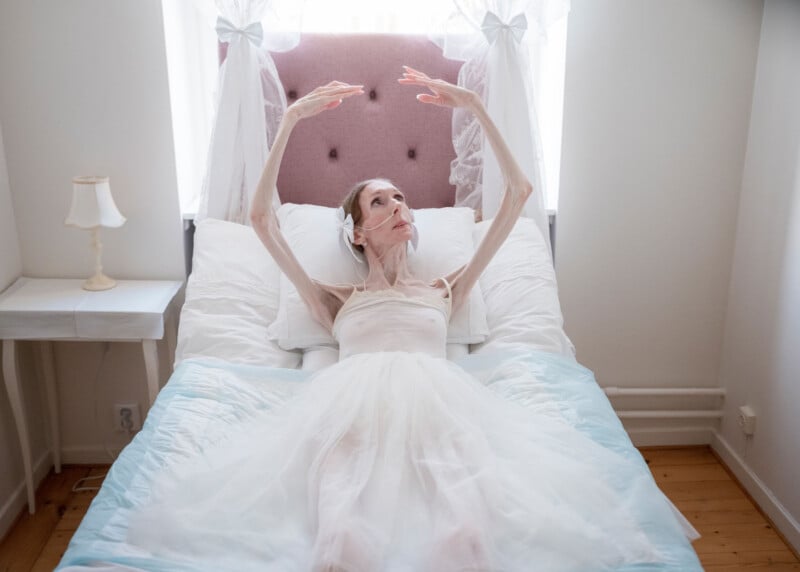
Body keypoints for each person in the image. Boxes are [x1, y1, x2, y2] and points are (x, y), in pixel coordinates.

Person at [128, 68, 688, 572]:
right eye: (379, 203)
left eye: (401, 198)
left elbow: (519, 192)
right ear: (356, 231)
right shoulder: (333, 299)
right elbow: (259, 218)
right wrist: (292, 117)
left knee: (468, 541)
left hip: (442, 417)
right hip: (349, 419)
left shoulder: (447, 289)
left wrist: (474, 104)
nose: (398, 206)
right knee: (340, 545)